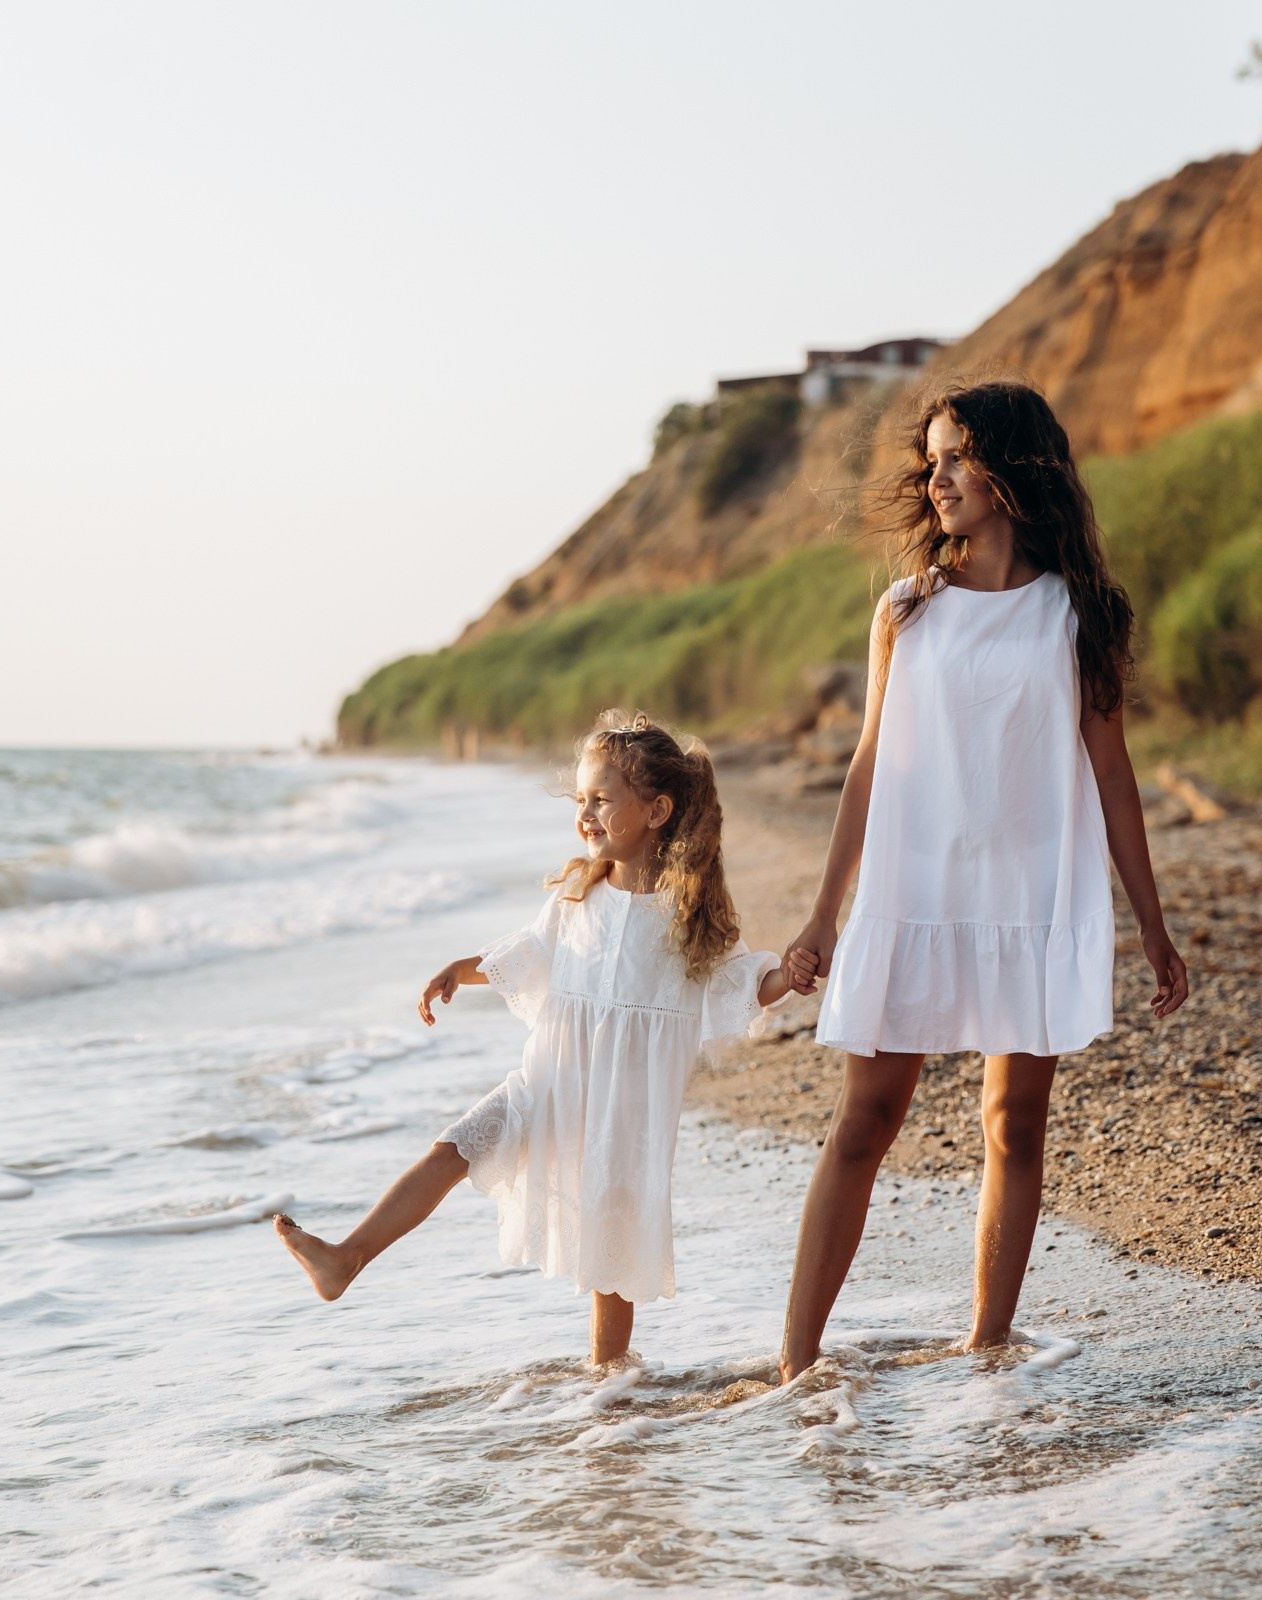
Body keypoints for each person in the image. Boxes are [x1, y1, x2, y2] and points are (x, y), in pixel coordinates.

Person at [778, 380, 1189, 1382]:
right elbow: (869, 764)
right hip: (912, 896)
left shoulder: (1078, 612)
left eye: (958, 455)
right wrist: (824, 915)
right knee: (865, 1123)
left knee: (1013, 1121)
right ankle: (794, 1364)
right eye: (933, 459)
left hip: (1026, 899)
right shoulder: (907, 608)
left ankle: (989, 1347)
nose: (941, 476)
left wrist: (1154, 926)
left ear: (1012, 465)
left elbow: (1111, 775)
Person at [274, 711, 810, 1366]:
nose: (584, 814)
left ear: (657, 809)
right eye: (579, 800)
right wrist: (461, 971)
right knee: (454, 1147)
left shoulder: (685, 916)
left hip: (624, 1119)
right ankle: (347, 1257)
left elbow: (738, 984)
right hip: (547, 1086)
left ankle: (607, 1384)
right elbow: (530, 953)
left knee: (610, 1260)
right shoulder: (576, 895)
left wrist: (789, 974)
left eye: (601, 800)